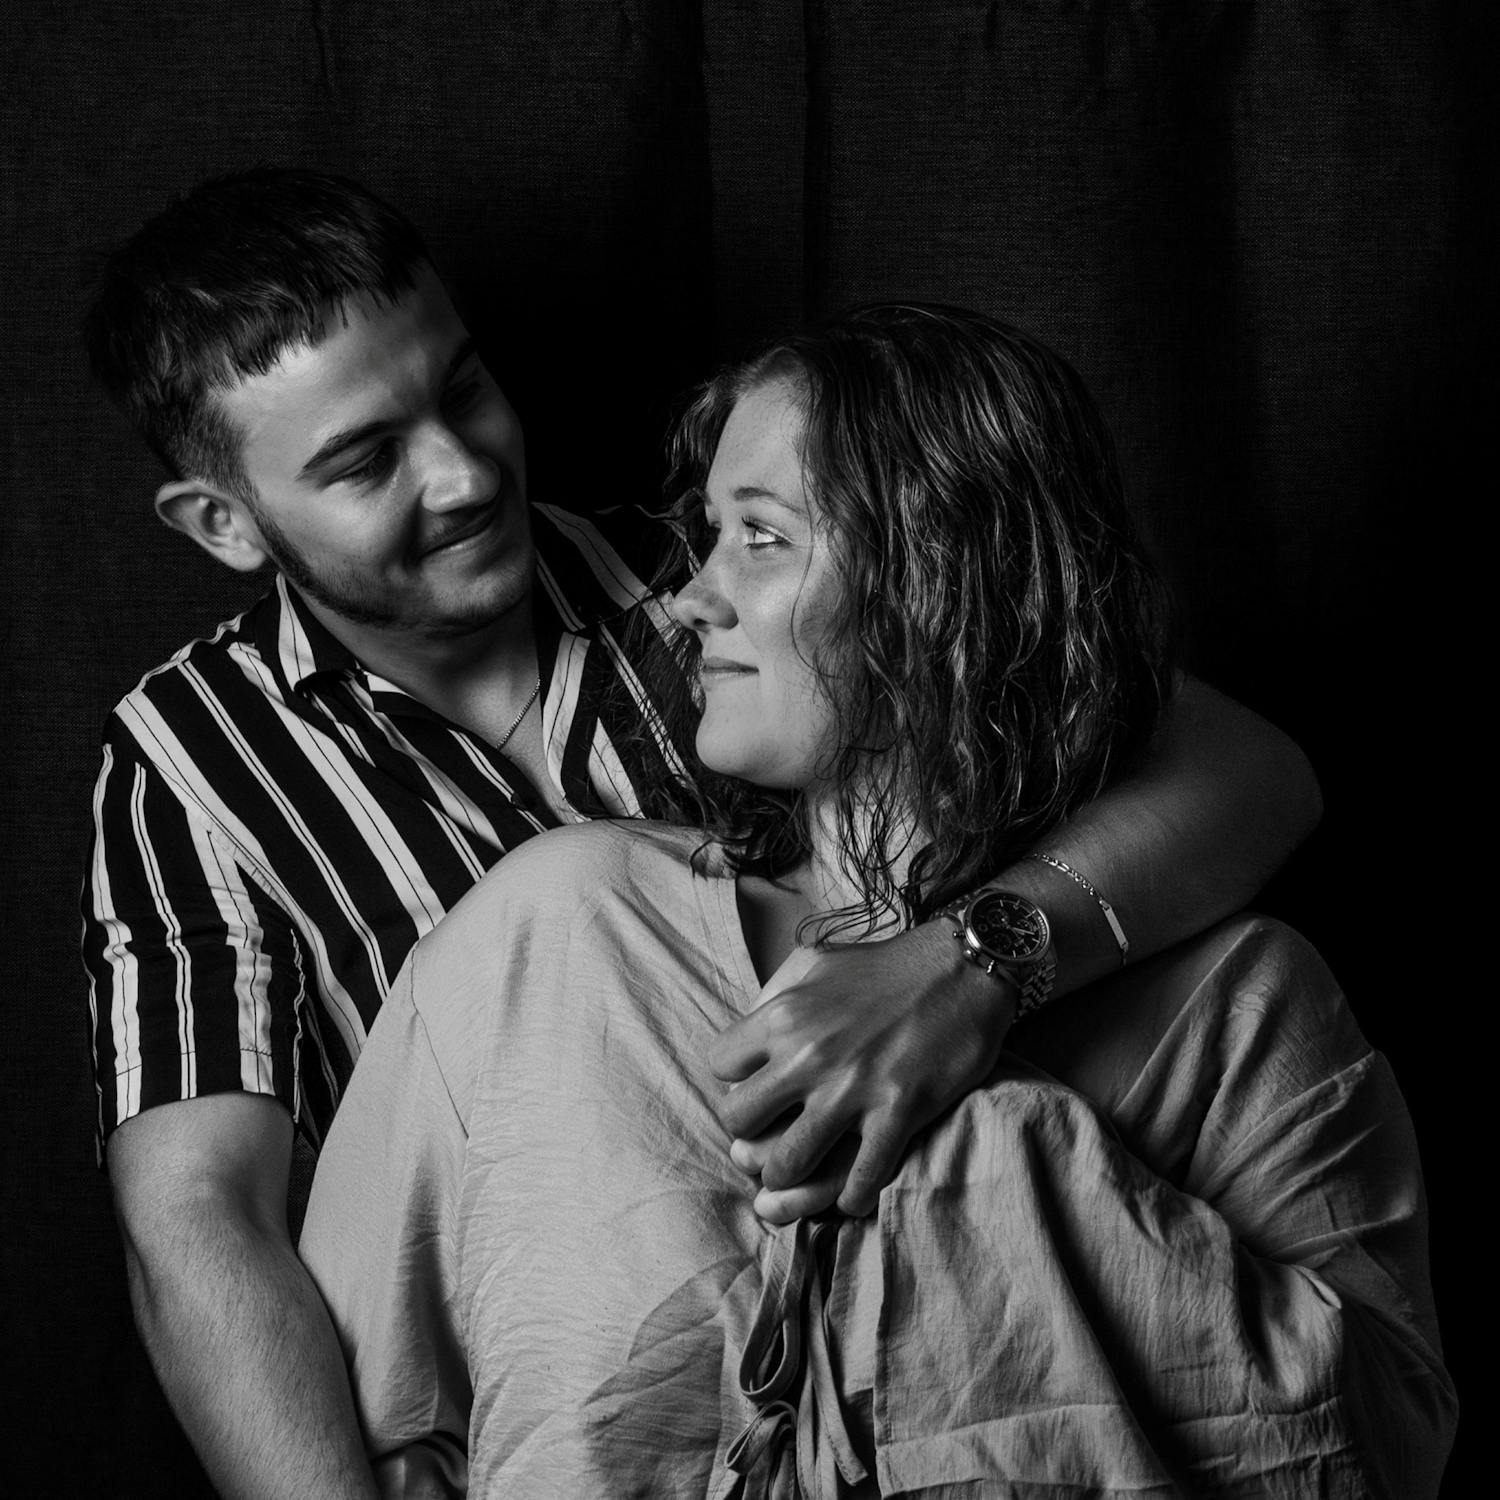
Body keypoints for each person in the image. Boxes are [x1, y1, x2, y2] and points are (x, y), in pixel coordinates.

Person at [81, 171, 1321, 1500]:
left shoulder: (702, 581)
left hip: (868, 1349)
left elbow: (1242, 762)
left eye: (462, 388)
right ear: (223, 522)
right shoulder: (184, 767)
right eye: (367, 458)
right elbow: (202, 1226)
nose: (462, 469)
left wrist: (966, 965)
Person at [301, 305, 1454, 1497]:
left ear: (946, 583)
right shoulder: (566, 931)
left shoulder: (1241, 1006)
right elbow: (363, 1410)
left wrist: (996, 1144)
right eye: (709, 537)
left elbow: (1373, 1449)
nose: (690, 600)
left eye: (761, 538)